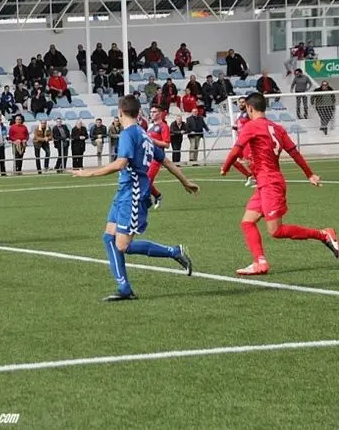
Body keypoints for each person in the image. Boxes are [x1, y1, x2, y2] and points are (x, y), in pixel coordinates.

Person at [74, 95, 197, 300]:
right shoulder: (144, 134)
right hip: (123, 192)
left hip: (133, 194)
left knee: (123, 245)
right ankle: (124, 288)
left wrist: (89, 173)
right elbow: (166, 161)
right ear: (138, 112)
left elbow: (121, 163)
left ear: (120, 112)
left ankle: (174, 251)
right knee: (109, 237)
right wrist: (185, 181)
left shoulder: (128, 134)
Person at [220, 92, 338, 275]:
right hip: (266, 184)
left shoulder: (251, 126)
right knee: (247, 222)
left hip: (270, 184)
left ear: (250, 108)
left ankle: (323, 234)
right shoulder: (277, 128)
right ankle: (260, 262)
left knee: (276, 231)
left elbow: (236, 150)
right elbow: (294, 152)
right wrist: (309, 174)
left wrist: (225, 167)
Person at [147, 106, 171, 209]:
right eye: (151, 112)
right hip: (147, 157)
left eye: (154, 112)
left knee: (146, 181)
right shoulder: (150, 126)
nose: (152, 114)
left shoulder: (164, 126)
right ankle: (157, 195)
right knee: (143, 180)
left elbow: (166, 144)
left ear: (160, 113)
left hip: (156, 159)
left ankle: (145, 201)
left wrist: (153, 141)